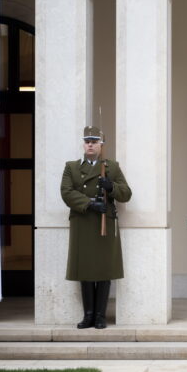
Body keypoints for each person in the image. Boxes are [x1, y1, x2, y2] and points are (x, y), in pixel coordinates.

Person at [60, 126, 131, 329]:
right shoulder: (72, 167)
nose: (90, 144)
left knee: (103, 270)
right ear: (83, 144)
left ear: (101, 145)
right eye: (87, 141)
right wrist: (90, 203)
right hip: (83, 221)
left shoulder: (111, 167)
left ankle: (100, 316)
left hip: (104, 222)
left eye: (94, 141)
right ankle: (88, 315)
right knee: (85, 270)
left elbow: (126, 194)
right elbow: (66, 192)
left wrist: (112, 187)